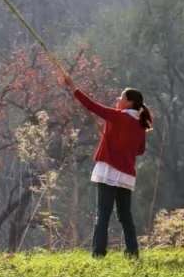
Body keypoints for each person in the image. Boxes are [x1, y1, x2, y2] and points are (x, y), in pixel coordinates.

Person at [60, 73, 153, 259]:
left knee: (103, 214)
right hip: (126, 176)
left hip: (109, 172)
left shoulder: (118, 117)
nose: (118, 99)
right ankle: (132, 252)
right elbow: (140, 150)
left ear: (129, 103)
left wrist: (73, 87)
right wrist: (121, 146)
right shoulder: (140, 126)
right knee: (125, 216)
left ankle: (98, 253)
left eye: (121, 97)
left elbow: (92, 106)